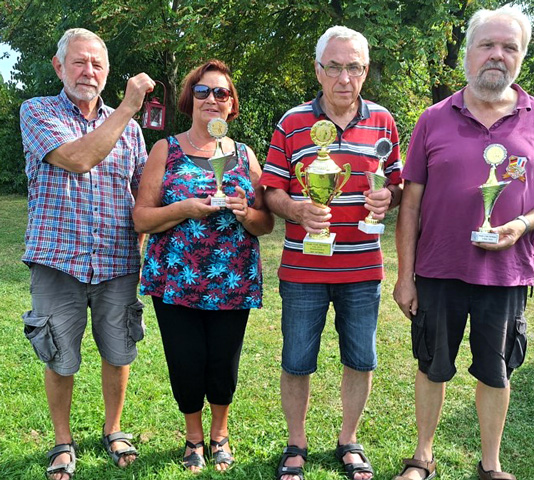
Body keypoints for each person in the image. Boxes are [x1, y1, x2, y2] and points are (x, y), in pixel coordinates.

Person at [393, 6, 532, 480]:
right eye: (487, 45)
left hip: (507, 272)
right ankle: (422, 457)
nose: (497, 55)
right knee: (432, 366)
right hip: (437, 269)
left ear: (522, 56)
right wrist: (404, 277)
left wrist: (523, 225)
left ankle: (490, 466)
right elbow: (409, 205)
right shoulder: (433, 118)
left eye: (509, 47)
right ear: (468, 53)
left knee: (497, 371)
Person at [260, 26, 402, 480]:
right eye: (335, 67)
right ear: (319, 70)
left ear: (365, 71)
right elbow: (270, 192)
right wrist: (296, 208)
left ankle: (349, 440)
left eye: (355, 67)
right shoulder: (292, 122)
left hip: (362, 266)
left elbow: (395, 182)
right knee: (297, 359)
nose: (345, 77)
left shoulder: (384, 121)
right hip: (304, 266)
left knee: (361, 358)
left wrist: (389, 197)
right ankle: (296, 444)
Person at [19, 28, 155, 480]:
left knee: (118, 353)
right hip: (58, 263)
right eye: (79, 62)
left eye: (97, 63)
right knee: (60, 355)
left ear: (108, 70)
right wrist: (129, 107)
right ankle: (62, 442)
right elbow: (79, 158)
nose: (88, 71)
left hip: (118, 262)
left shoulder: (131, 130)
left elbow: (142, 200)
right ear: (59, 67)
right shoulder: (37, 111)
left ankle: (113, 429)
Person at [133, 59, 274, 473]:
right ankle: (194, 437)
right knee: (186, 359)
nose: (213, 99)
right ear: (189, 100)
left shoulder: (245, 154)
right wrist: (184, 209)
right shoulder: (166, 149)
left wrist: (246, 213)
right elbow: (141, 217)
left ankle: (219, 435)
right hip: (177, 279)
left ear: (232, 105)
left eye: (222, 93)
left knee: (223, 363)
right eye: (203, 92)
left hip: (232, 280)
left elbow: (265, 222)